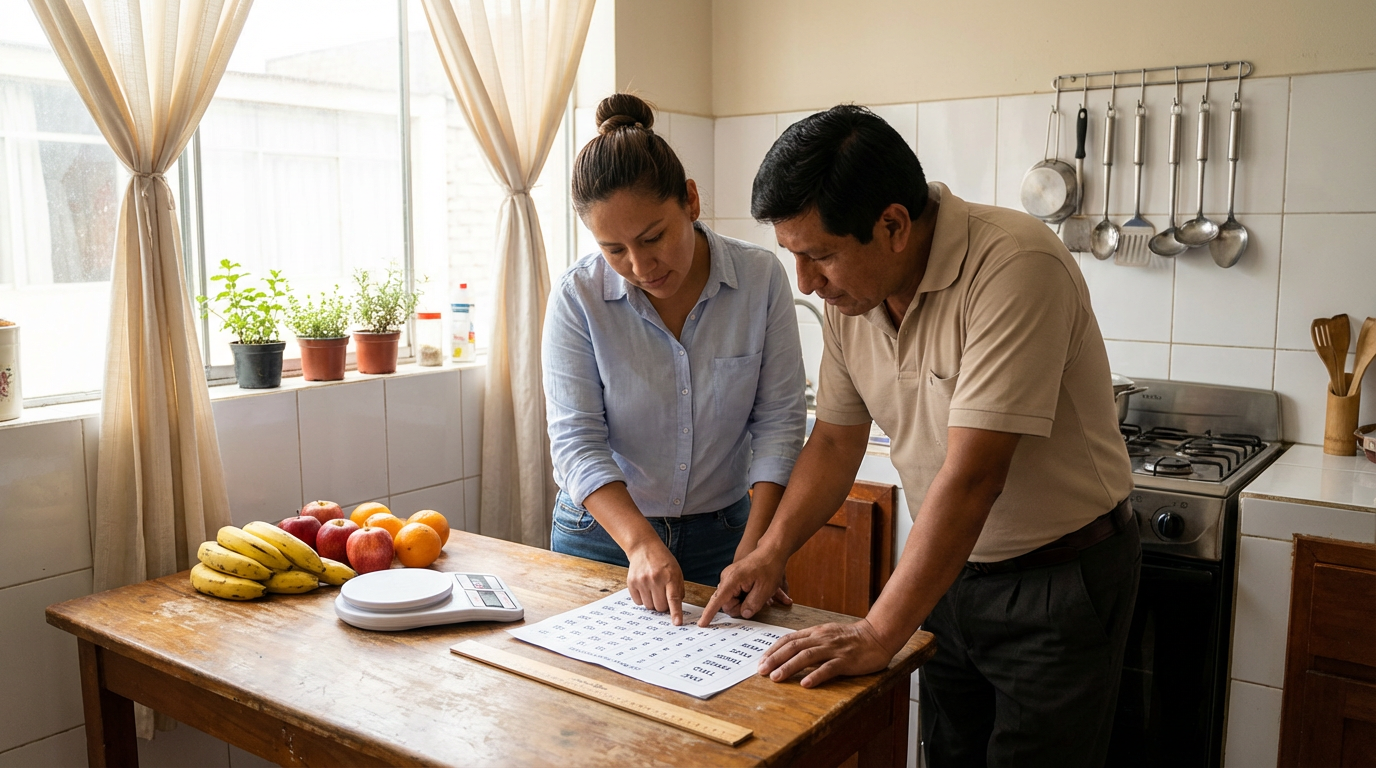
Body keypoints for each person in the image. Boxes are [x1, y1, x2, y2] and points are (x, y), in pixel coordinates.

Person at [702, 105, 1140, 767]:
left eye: (820, 256)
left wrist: (878, 631)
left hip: (1058, 583)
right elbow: (834, 441)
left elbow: (974, 476)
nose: (807, 284)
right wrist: (771, 549)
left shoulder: (1015, 265)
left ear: (894, 225)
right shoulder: (855, 296)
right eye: (794, 257)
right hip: (946, 572)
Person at [543, 94, 806, 627]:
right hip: (603, 538)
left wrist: (757, 550)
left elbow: (779, 422)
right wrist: (639, 542)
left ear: (690, 200)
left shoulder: (759, 279)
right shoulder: (578, 297)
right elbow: (576, 441)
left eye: (653, 237)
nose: (640, 266)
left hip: (726, 536)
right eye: (613, 249)